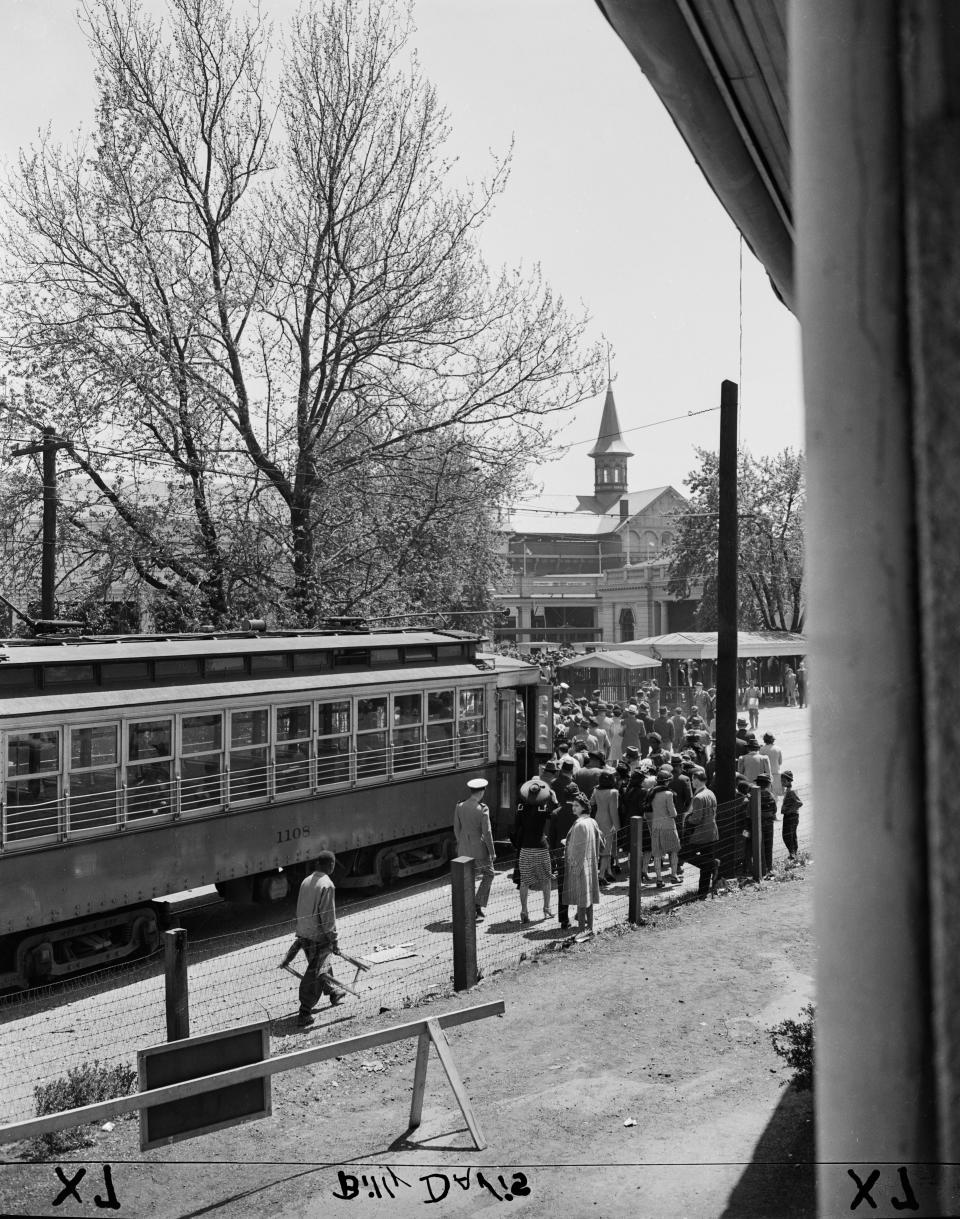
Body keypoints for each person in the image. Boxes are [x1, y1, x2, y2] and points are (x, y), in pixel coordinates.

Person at [293, 852, 345, 1027]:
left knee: (321, 966)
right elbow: (328, 917)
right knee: (315, 973)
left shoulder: (306, 881)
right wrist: (334, 939)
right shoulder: (327, 885)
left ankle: (332, 992)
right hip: (318, 936)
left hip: (304, 933)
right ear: (330, 865)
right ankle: (304, 1012)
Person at [514, 777, 557, 924]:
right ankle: (546, 908)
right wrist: (554, 800)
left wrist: (517, 845)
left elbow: (515, 829)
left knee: (525, 881)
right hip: (541, 847)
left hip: (525, 848)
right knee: (545, 879)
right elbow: (555, 815)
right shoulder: (544, 808)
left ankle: (524, 911)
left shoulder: (520, 808)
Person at [453, 777, 497, 920]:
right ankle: (477, 904)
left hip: (463, 849)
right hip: (479, 850)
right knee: (489, 874)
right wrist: (492, 851)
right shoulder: (483, 809)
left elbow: (456, 829)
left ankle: (467, 909)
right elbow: (487, 832)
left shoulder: (459, 806)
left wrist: (462, 843)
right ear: (482, 791)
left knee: (468, 879)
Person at [562, 792, 603, 935]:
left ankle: (581, 931)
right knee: (589, 898)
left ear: (584, 807)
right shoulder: (592, 821)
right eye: (573, 805)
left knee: (581, 899)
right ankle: (590, 928)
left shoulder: (579, 824)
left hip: (580, 866)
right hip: (591, 864)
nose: (573, 808)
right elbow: (600, 841)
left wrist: (572, 861)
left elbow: (576, 849)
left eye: (576, 805)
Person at [679, 768, 720, 899]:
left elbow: (696, 818)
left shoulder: (698, 797)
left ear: (696, 780)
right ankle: (702, 892)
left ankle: (712, 864)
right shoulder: (711, 793)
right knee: (706, 861)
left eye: (692, 780)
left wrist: (687, 818)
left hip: (700, 834)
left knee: (683, 853)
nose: (691, 782)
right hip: (712, 832)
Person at [646, 766, 682, 887]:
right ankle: (674, 875)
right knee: (674, 851)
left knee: (656, 854)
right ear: (667, 781)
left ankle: (659, 880)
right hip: (668, 826)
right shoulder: (668, 794)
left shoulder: (651, 792)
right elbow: (673, 813)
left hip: (656, 826)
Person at [590, 769, 621, 884]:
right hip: (608, 822)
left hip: (597, 819)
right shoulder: (614, 792)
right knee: (606, 851)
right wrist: (617, 826)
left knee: (600, 848)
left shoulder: (596, 790)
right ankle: (601, 875)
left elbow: (591, 802)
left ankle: (607, 872)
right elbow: (614, 811)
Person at [756, 773, 778, 876]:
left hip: (758, 824)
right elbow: (774, 810)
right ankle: (769, 867)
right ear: (768, 784)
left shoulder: (755, 795)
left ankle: (760, 868)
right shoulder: (770, 795)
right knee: (769, 845)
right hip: (769, 823)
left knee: (758, 846)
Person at [780, 769, 802, 859]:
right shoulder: (788, 790)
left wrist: (788, 810)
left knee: (786, 835)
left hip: (791, 816)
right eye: (781, 780)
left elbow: (799, 803)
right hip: (792, 815)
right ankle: (793, 853)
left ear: (789, 781)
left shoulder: (791, 791)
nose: (782, 782)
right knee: (792, 835)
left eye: (784, 781)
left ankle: (792, 853)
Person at [759, 732, 783, 797]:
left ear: (764, 740)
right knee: (775, 795)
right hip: (776, 773)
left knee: (767, 795)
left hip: (766, 775)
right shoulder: (778, 748)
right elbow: (780, 762)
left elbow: (760, 763)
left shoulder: (762, 749)